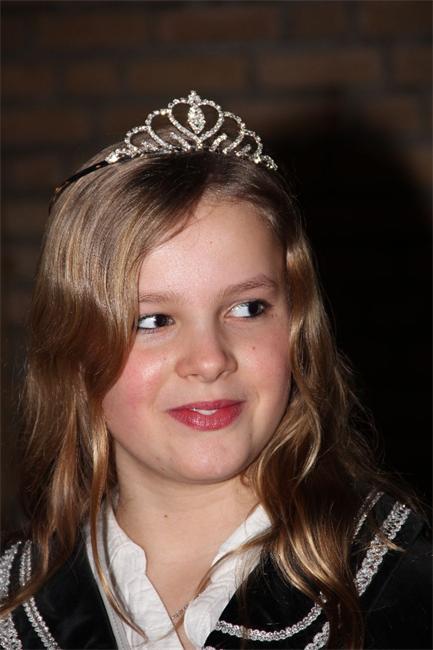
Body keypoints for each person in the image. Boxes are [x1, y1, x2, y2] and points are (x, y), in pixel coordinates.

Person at [0, 91, 431, 650]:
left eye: (247, 308)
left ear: (297, 325)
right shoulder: (17, 609)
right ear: (76, 350)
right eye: (153, 320)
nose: (209, 360)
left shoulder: (403, 590)